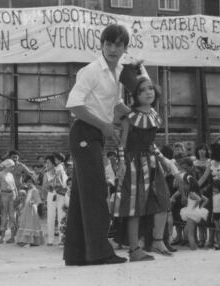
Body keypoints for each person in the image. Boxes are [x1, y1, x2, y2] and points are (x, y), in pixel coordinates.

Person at [63, 24, 131, 266]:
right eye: (108, 44)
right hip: (84, 132)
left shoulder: (119, 72)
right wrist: (104, 125)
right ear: (101, 45)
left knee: (82, 196)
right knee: (96, 193)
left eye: (118, 45)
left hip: (95, 134)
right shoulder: (92, 70)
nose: (113, 49)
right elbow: (74, 105)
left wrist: (138, 113)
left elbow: (115, 104)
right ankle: (100, 252)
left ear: (125, 48)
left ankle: (76, 254)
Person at [116, 76, 172, 261]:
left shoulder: (155, 114)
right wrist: (122, 163)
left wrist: (164, 160)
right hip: (133, 163)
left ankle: (157, 240)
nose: (148, 92)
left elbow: (151, 143)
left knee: (163, 199)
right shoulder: (129, 117)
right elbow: (121, 144)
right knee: (135, 206)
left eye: (150, 88)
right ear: (135, 95)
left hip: (151, 162)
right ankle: (134, 249)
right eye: (142, 90)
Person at [180, 175, 209, 250]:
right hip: (193, 213)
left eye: (185, 185)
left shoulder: (192, 193)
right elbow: (206, 199)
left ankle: (193, 249)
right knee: (186, 231)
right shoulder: (195, 192)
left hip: (191, 213)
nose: (184, 186)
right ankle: (194, 247)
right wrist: (200, 207)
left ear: (189, 185)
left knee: (190, 234)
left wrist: (194, 207)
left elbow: (199, 199)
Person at [15, 176, 44, 247]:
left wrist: (33, 202)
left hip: (32, 210)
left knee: (30, 225)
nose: (28, 183)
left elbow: (38, 201)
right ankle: (25, 240)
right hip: (26, 210)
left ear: (32, 182)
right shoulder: (29, 190)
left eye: (30, 182)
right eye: (27, 182)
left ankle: (28, 241)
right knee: (25, 224)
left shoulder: (34, 190)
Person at [0, 159, 18, 243]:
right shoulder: (0, 175)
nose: (13, 168)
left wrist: (17, 197)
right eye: (12, 166)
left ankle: (13, 236)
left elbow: (14, 186)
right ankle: (2, 237)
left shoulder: (11, 175)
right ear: (8, 166)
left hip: (12, 194)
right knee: (4, 216)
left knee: (13, 216)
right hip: (4, 195)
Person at [211, 179, 220, 250]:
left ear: (219, 187)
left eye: (215, 187)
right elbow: (213, 206)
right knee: (217, 230)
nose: (214, 189)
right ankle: (219, 243)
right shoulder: (213, 195)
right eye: (213, 187)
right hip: (215, 213)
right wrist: (212, 215)